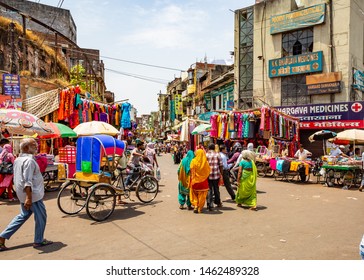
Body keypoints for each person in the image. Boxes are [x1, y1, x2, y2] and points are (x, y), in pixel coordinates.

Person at [0, 138, 53, 252]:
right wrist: (29, 198)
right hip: (32, 196)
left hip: (23, 194)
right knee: (41, 217)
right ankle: (38, 240)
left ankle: (2, 237)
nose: (36, 146)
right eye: (33, 145)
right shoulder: (29, 161)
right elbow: (27, 180)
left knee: (23, 216)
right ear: (26, 148)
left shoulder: (19, 159)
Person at [189, 149, 210, 213]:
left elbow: (191, 171)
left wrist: (192, 179)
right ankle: (200, 208)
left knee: (194, 194)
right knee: (202, 196)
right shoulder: (206, 162)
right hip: (203, 182)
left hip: (195, 181)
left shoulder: (193, 161)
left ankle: (195, 206)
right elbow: (208, 171)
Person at [206, 143, 223, 210]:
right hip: (216, 175)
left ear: (208, 148)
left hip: (208, 175)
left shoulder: (206, 155)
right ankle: (218, 202)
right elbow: (221, 165)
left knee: (209, 190)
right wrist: (221, 174)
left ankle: (209, 204)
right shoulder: (218, 155)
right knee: (216, 189)